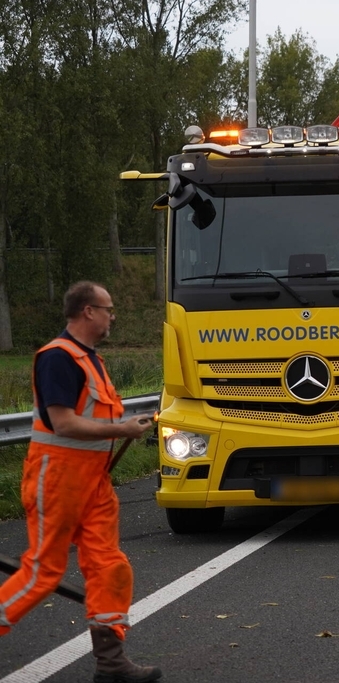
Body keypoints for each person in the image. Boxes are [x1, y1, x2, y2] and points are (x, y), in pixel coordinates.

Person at [0, 282, 160, 683]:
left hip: (93, 483)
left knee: (110, 566)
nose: (112, 316)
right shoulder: (58, 358)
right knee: (43, 573)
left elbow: (93, 419)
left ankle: (111, 663)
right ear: (88, 311)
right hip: (57, 478)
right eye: (108, 309)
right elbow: (63, 423)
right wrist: (121, 430)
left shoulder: (92, 360)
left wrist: (124, 428)